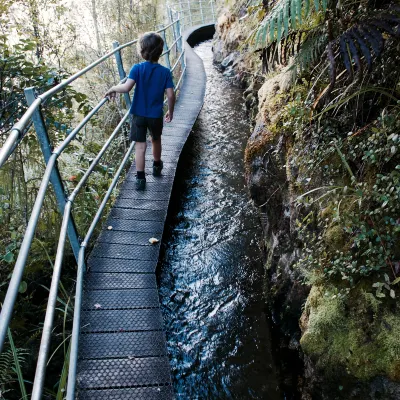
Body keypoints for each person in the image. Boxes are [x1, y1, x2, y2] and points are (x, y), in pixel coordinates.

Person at [105, 32, 176, 190]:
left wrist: (113, 88)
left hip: (138, 114)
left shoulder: (137, 68)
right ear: (160, 51)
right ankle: (157, 166)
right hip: (156, 115)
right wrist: (170, 111)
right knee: (156, 139)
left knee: (140, 146)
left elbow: (126, 87)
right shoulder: (164, 72)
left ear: (142, 51)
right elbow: (171, 95)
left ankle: (140, 179)